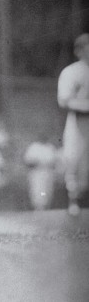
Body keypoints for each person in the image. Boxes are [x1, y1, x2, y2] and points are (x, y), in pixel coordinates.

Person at [57, 33, 89, 216]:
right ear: (78, 50)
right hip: (79, 122)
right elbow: (64, 100)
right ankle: (74, 202)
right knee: (75, 160)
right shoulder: (71, 71)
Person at [24, 134, 59, 211]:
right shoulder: (34, 147)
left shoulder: (50, 147)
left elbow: (55, 161)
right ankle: (38, 207)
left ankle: (46, 207)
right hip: (37, 173)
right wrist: (39, 163)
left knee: (47, 191)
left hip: (48, 172)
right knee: (39, 190)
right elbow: (28, 161)